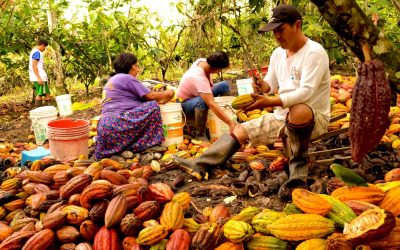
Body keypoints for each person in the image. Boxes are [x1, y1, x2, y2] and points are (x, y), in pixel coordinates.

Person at [173, 5, 331, 200]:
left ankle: (297, 176)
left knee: (298, 110)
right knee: (239, 131)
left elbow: (306, 92)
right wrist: (261, 85)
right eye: (274, 32)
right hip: (282, 117)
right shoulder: (277, 54)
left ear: (297, 25)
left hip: (313, 119)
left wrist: (270, 101)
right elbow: (271, 84)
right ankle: (201, 164)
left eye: (280, 30)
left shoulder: (314, 53)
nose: (276, 36)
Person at [94, 53, 175, 160]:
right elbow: (152, 96)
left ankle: (122, 150)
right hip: (117, 124)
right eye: (136, 66)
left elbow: (132, 103)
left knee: (151, 105)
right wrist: (169, 93)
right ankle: (148, 145)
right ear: (130, 66)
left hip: (105, 129)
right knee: (153, 107)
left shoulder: (113, 80)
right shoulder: (126, 78)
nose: (138, 70)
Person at [176, 51, 236, 141]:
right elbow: (212, 104)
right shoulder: (199, 78)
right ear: (217, 68)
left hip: (197, 93)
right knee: (202, 101)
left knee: (224, 85)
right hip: (185, 103)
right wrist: (230, 123)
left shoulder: (203, 61)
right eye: (221, 69)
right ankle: (200, 134)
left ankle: (226, 112)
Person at [29, 39, 50, 107]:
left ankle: (42, 110)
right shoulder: (37, 52)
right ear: (42, 45)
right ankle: (48, 109)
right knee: (44, 93)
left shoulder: (33, 51)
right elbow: (34, 65)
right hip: (39, 76)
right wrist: (39, 78)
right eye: (45, 47)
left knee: (41, 92)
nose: (44, 49)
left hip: (36, 76)